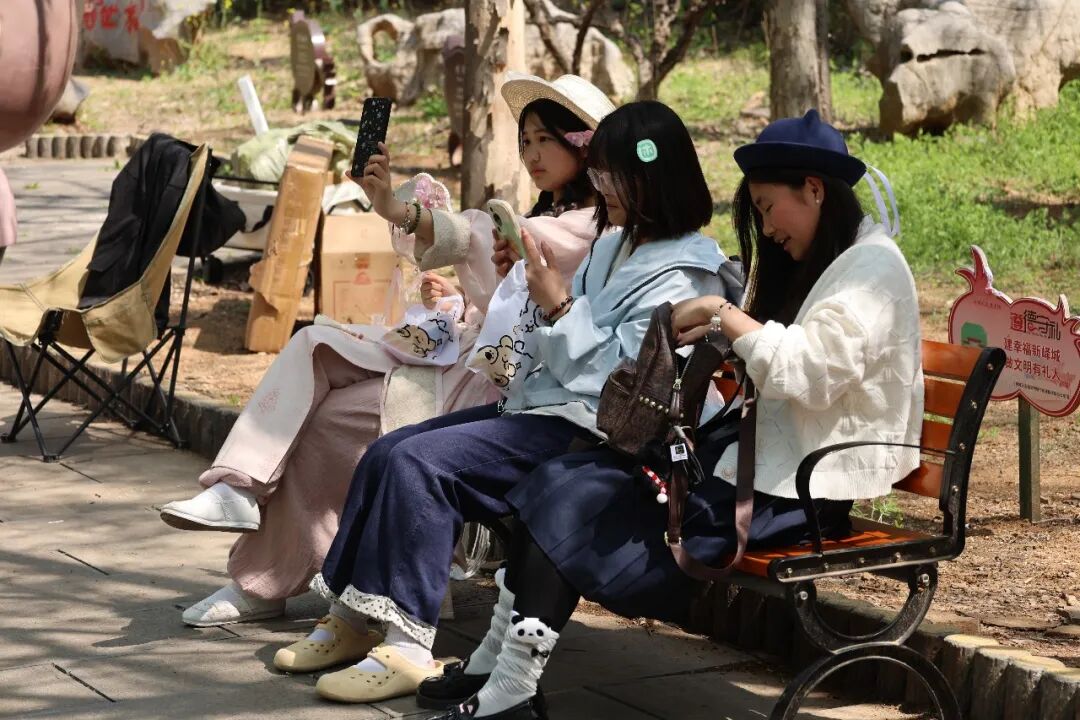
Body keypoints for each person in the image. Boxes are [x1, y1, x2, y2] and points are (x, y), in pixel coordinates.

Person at [423, 108, 924, 720]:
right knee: (558, 480)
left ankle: (511, 686)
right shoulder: (833, 259)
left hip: (802, 488)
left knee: (574, 497)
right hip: (758, 463)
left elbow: (808, 375)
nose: (767, 229)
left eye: (768, 208)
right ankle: (504, 676)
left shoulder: (870, 268)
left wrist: (720, 313)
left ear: (814, 190)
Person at [273, 100, 726, 707]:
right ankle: (354, 618)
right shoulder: (614, 245)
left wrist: (558, 305)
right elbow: (553, 335)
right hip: (547, 407)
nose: (603, 187)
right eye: (600, 173)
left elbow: (623, 379)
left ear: (653, 175)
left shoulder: (690, 272)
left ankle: (407, 645)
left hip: (602, 435)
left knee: (420, 464)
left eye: (614, 175)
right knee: (389, 451)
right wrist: (537, 294)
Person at [157, 73, 615, 631]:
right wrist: (454, 296)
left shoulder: (589, 229)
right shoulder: (545, 221)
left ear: (582, 145)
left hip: (504, 390)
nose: (532, 154)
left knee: (332, 417)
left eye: (545, 139)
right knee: (315, 356)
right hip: (462, 362)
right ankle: (247, 516)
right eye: (526, 141)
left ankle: (288, 573)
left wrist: (401, 211)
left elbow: (489, 243)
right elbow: (500, 294)